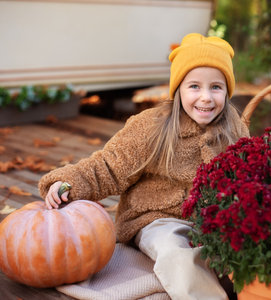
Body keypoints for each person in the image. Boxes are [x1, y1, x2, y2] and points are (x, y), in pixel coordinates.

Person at [38, 33, 250, 300]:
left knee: (246, 251)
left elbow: (246, 177)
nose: (206, 98)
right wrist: (69, 182)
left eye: (216, 87)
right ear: (178, 89)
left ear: (227, 92)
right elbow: (108, 167)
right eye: (194, 86)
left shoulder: (234, 128)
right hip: (157, 220)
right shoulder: (152, 127)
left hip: (211, 221)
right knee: (178, 255)